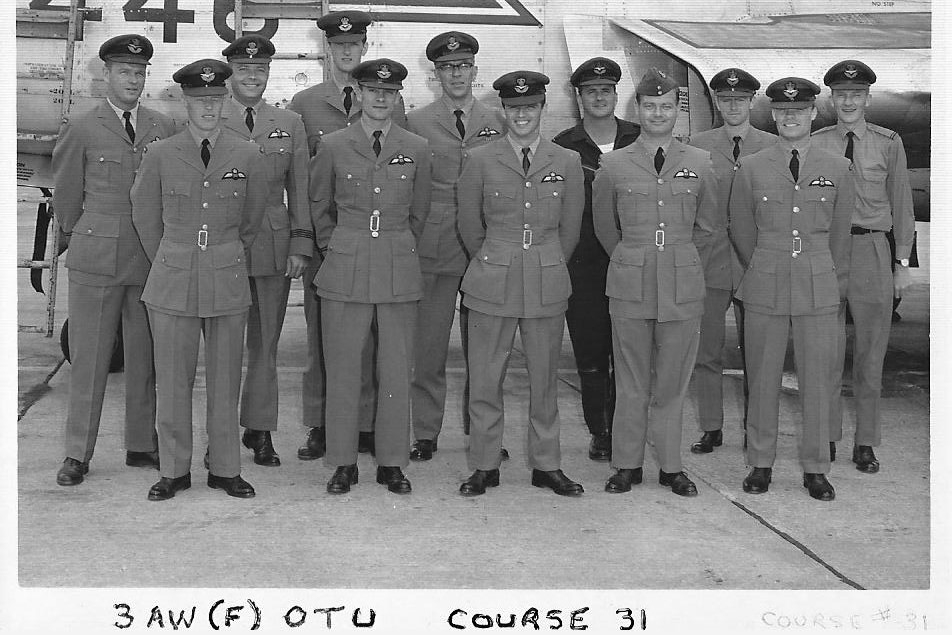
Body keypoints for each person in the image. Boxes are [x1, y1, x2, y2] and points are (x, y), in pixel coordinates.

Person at [131, 59, 268, 500]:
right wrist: (172, 257)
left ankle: (226, 468)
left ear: (226, 101)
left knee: (225, 381)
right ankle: (174, 470)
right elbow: (145, 214)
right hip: (173, 279)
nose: (208, 108)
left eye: (215, 99)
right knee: (173, 381)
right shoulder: (160, 154)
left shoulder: (247, 153)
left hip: (226, 277)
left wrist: (225, 252)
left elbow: (252, 217)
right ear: (184, 102)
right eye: (198, 100)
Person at [51, 34, 175, 486]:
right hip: (97, 257)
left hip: (147, 257)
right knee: (89, 359)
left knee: (145, 357)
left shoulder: (162, 126)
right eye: (125, 71)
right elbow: (66, 195)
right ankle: (77, 453)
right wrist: (83, 234)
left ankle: (141, 444)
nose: (133, 80)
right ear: (106, 74)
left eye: (139, 72)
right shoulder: (82, 126)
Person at [456, 71, 584, 497]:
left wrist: (547, 260)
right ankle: (484, 464)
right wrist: (495, 256)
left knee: (545, 380)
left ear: (543, 107)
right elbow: (469, 224)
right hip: (492, 277)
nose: (522, 114)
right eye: (514, 108)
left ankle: (546, 465)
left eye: (530, 107)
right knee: (485, 377)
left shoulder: (566, 161)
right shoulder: (479, 159)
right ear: (503, 111)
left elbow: (569, 229)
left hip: (546, 277)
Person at [309, 58, 431, 495]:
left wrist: (394, 245)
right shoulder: (333, 145)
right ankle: (342, 461)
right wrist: (339, 246)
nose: (381, 98)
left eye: (389, 92)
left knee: (396, 370)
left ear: (398, 97)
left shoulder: (416, 147)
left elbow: (419, 211)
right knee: (343, 368)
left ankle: (392, 461)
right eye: (373, 91)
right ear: (358, 93)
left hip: (397, 265)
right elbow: (319, 206)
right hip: (346, 264)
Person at [729, 77, 854, 501]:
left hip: (817, 285)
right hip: (765, 282)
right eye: (782, 111)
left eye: (798, 110)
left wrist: (827, 276)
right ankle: (760, 463)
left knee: (817, 381)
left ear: (814, 112)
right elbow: (742, 229)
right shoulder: (752, 167)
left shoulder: (838, 168)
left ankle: (816, 468)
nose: (790, 117)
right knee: (762, 377)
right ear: (773, 114)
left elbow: (840, 233)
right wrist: (767, 261)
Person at [592, 68, 716, 497]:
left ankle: (670, 466)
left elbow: (707, 226)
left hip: (682, 285)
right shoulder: (613, 164)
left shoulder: (700, 162)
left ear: (676, 111)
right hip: (631, 284)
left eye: (665, 106)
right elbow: (605, 227)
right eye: (650, 106)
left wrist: (679, 260)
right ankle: (627, 465)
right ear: (638, 109)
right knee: (630, 381)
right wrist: (633, 257)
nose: (658, 113)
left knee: (672, 383)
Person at [289, 10, 405, 461]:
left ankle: (367, 423)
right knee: (323, 338)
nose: (346, 52)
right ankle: (321, 424)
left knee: (372, 337)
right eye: (338, 46)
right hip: (326, 243)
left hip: (372, 241)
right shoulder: (305, 103)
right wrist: (310, 240)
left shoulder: (385, 100)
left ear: (364, 48)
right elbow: (303, 181)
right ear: (327, 49)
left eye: (353, 45)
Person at [405, 31, 507, 462]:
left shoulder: (499, 120)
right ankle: (426, 432)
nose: (456, 74)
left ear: (474, 70)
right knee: (428, 347)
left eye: (463, 66)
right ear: (436, 75)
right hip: (436, 245)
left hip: (485, 244)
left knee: (485, 350)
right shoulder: (416, 122)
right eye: (447, 68)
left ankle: (483, 432)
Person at [812, 60, 915, 473]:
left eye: (856, 94)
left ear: (868, 99)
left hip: (872, 249)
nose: (849, 101)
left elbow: (902, 203)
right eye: (841, 95)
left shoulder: (889, 143)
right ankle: (828, 435)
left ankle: (866, 442)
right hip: (828, 251)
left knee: (871, 355)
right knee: (827, 352)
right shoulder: (817, 143)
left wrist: (902, 262)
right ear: (831, 99)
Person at [220, 35, 312, 466]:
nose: (252, 77)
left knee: (265, 345)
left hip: (273, 246)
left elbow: (300, 188)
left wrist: (300, 243)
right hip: (223, 245)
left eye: (260, 69)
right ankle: (220, 434)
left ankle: (259, 429)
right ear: (230, 74)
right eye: (243, 69)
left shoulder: (289, 122)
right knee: (223, 347)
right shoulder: (210, 115)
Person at [552, 57, 640, 462]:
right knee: (590, 354)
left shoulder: (638, 139)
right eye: (591, 91)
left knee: (630, 353)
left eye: (606, 90)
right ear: (579, 97)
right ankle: (600, 431)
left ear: (616, 94)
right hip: (584, 264)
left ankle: (626, 427)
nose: (599, 97)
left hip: (633, 260)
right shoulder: (564, 146)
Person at [686, 68, 776, 454]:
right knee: (706, 350)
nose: (733, 106)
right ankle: (711, 426)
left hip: (755, 258)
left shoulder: (773, 146)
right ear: (717, 102)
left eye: (740, 99)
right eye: (725, 99)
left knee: (758, 352)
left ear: (752, 101)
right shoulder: (697, 147)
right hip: (711, 260)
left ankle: (754, 427)